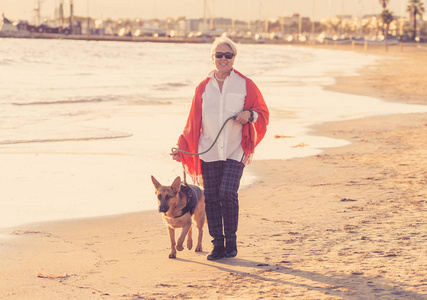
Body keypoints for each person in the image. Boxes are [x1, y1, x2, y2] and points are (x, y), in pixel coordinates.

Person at [171, 36, 269, 260]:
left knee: (228, 192)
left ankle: (231, 241)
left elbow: (262, 111)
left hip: (236, 148)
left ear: (234, 58)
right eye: (219, 55)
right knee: (212, 196)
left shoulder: (245, 84)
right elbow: (193, 122)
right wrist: (181, 148)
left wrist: (249, 114)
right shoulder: (203, 88)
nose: (223, 59)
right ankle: (217, 244)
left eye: (228, 55)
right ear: (212, 58)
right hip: (209, 150)